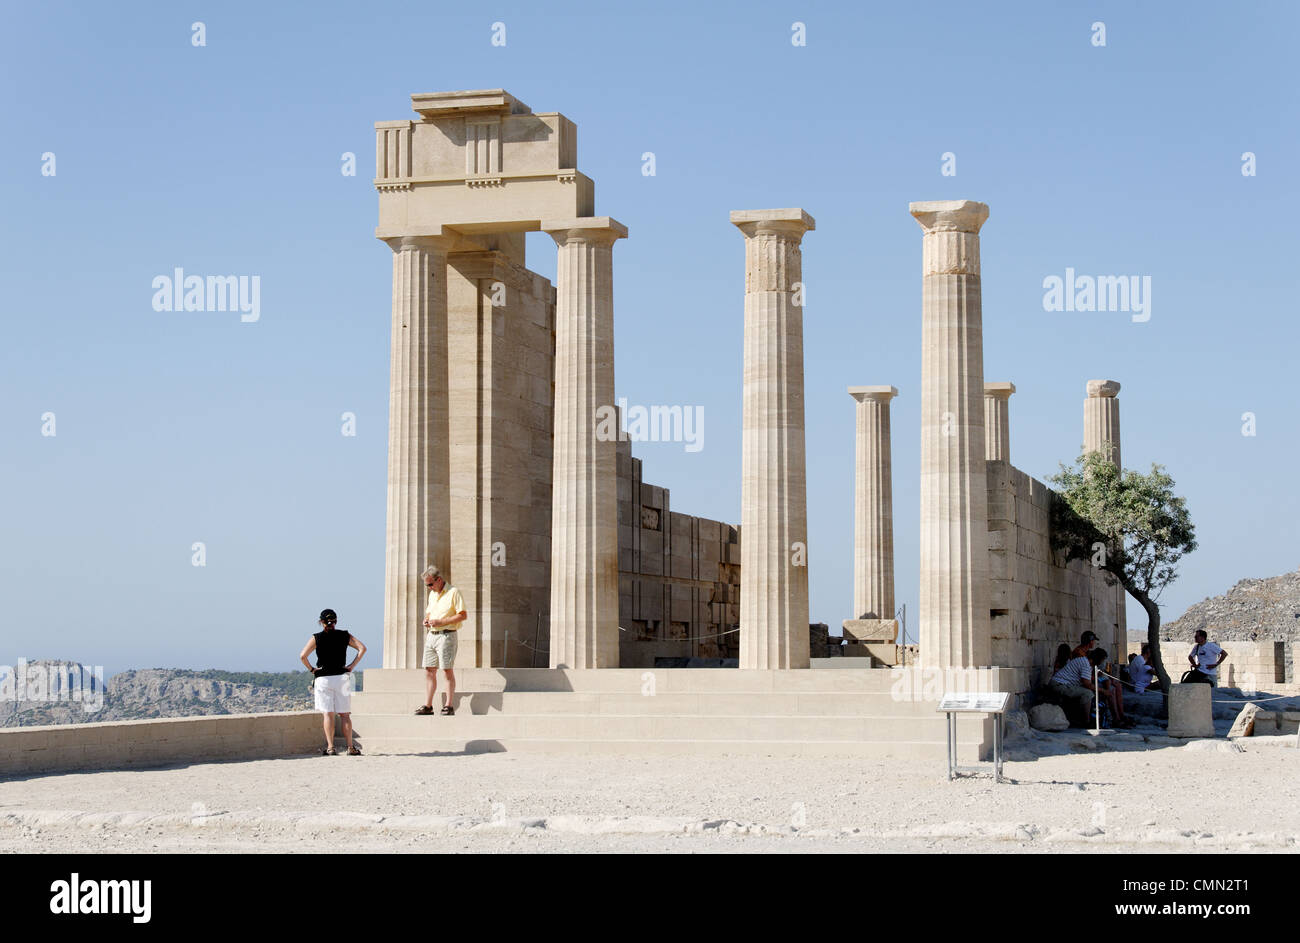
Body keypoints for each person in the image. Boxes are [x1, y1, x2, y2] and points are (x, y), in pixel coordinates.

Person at [299, 609, 366, 756]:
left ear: (321, 622)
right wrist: (351, 666)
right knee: (345, 715)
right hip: (342, 677)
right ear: (336, 621)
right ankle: (350, 747)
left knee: (328, 714)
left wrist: (312, 669)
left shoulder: (316, 637)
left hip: (323, 678)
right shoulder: (344, 635)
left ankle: (330, 747)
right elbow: (362, 648)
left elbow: (303, 655)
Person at [415, 565, 467, 716]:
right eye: (427, 585)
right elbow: (430, 613)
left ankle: (449, 705)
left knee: (446, 669)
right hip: (432, 635)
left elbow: (462, 615)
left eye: (430, 584)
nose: (429, 587)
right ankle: (428, 705)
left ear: (439, 579)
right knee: (429, 670)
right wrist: (426, 620)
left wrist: (442, 622)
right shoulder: (432, 595)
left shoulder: (453, 592)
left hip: (447, 634)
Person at [1046, 647, 1096, 725]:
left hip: (1062, 683)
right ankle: (1086, 722)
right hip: (1059, 684)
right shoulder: (1084, 663)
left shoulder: (1080, 660)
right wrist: (1101, 690)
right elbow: (1086, 683)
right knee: (1087, 693)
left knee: (1085, 691)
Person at [1089, 648, 1132, 727]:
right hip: (1092, 683)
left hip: (1098, 680)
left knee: (1117, 685)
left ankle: (1121, 715)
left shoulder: (1096, 665)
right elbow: (1088, 679)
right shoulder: (1088, 664)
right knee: (1111, 690)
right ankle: (1116, 718)